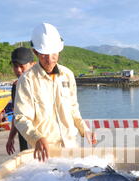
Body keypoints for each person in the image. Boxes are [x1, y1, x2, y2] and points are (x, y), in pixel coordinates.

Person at [14, 23, 96, 162]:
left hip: (70, 147)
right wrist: (36, 138)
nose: (50, 58)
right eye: (45, 54)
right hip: (44, 152)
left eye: (54, 53)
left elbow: (73, 108)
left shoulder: (67, 75)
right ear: (36, 52)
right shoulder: (27, 80)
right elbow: (21, 118)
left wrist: (84, 130)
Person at [5, 47, 36, 155]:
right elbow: (16, 115)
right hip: (24, 137)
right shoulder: (16, 86)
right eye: (15, 66)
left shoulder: (41, 85)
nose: (18, 70)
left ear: (33, 64)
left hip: (42, 138)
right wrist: (11, 137)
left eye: (22, 66)